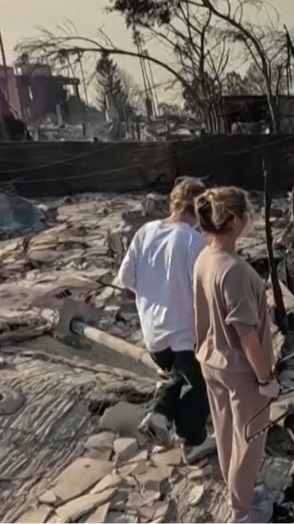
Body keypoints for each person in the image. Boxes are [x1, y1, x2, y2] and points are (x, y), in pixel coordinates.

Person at [193, 187, 279, 524]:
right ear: (235, 220)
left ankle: (238, 495)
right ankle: (241, 514)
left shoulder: (205, 258)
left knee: (227, 433)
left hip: (211, 360)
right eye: (246, 214)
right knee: (249, 443)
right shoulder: (235, 271)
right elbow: (246, 334)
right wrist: (266, 379)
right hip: (240, 369)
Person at [116, 177, 216, 464]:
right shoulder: (193, 241)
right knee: (202, 385)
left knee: (172, 378)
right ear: (199, 209)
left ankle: (158, 416)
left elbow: (126, 277)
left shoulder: (145, 232)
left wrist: (154, 293)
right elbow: (203, 289)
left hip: (153, 332)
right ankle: (192, 440)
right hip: (185, 331)